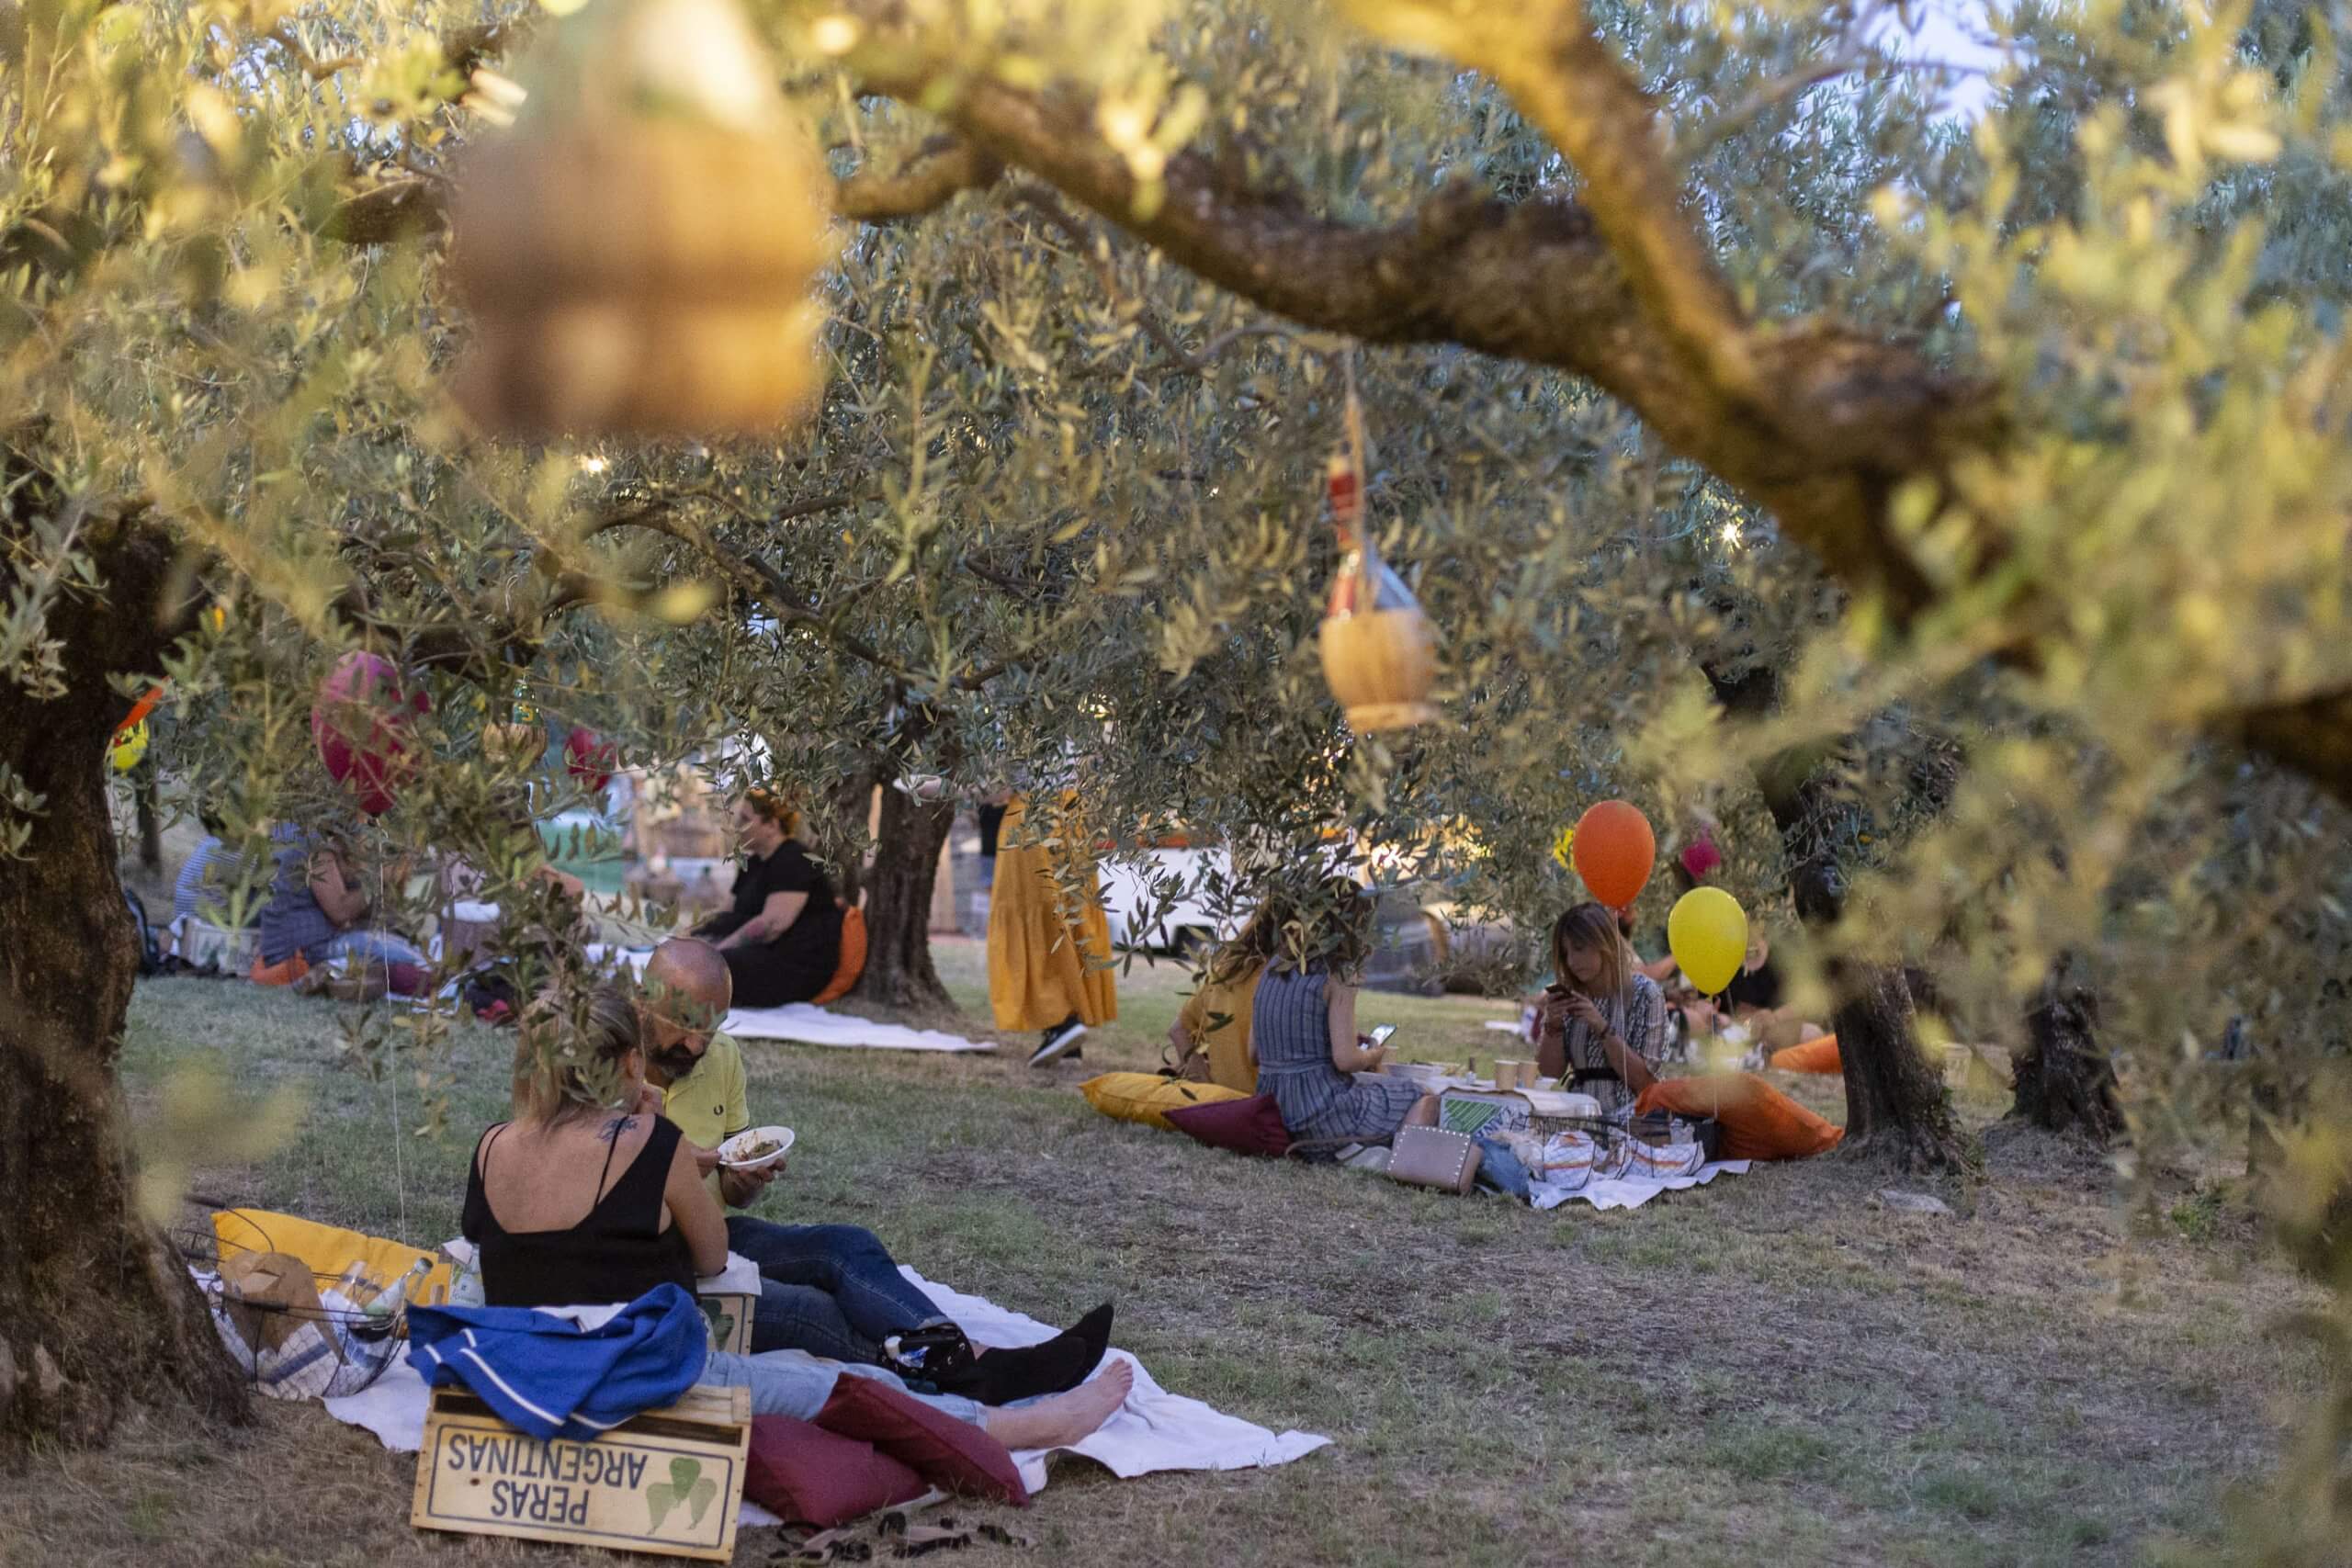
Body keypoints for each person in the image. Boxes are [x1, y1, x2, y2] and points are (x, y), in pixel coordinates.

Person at [465, 983, 1133, 1448]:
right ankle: (1032, 1424)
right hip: (640, 1371)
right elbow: (712, 1257)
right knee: (851, 1384)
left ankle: (963, 1360)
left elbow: (517, 1249)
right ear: (630, 1060)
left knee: (832, 1293)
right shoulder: (648, 1142)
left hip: (532, 1366)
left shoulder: (493, 1143)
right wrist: (653, 1135)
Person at [634, 940, 1113, 1404]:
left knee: (846, 1246)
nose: (696, 1045)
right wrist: (667, 1160)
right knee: (809, 1308)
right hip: (649, 1259)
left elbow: (733, 1192)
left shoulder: (722, 1058)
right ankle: (977, 1374)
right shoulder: (607, 1067)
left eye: (711, 1029)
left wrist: (744, 1178)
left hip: (718, 1238)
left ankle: (974, 1363)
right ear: (643, 1001)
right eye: (684, 1025)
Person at [1250, 882, 1440, 1144]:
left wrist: (1323, 1041)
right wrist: (1374, 1053)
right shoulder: (1339, 972)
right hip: (1321, 1112)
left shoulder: (1273, 966)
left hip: (1275, 1112)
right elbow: (1347, 1061)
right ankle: (1399, 1166)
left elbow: (1254, 1053)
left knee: (1381, 1089)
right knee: (1424, 1097)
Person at [988, 793, 1117, 1066]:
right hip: (1073, 819)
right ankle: (1068, 1040)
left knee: (1040, 923)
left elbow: (995, 788)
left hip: (1030, 825)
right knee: (1072, 919)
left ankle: (1061, 1023)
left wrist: (941, 787)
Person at [693, 789, 844, 1008]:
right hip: (762, 953)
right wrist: (692, 938)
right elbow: (727, 914)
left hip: (794, 964)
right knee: (692, 952)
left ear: (772, 825)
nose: (737, 825)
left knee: (719, 967)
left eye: (745, 819)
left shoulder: (794, 859)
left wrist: (717, 954)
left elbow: (771, 926)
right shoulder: (752, 863)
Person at [1534, 901, 1668, 1117]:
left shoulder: (1646, 994)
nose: (1571, 961)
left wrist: (1601, 1027)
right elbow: (1549, 1074)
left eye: (1579, 949)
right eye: (1566, 953)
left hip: (1632, 1118)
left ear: (1603, 943)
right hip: (1578, 1116)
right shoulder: (1571, 995)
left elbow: (1644, 1081)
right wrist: (1554, 1025)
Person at [255, 821, 428, 980]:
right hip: (303, 952)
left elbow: (359, 907)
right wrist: (380, 879)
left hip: (300, 947)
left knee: (414, 953)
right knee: (417, 961)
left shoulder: (307, 829)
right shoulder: (313, 840)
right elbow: (340, 911)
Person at [1167, 902, 1281, 1093]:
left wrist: (1204, 1087)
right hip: (1265, 1102)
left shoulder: (1225, 973)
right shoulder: (1285, 980)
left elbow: (1178, 1029)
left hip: (1222, 1101)